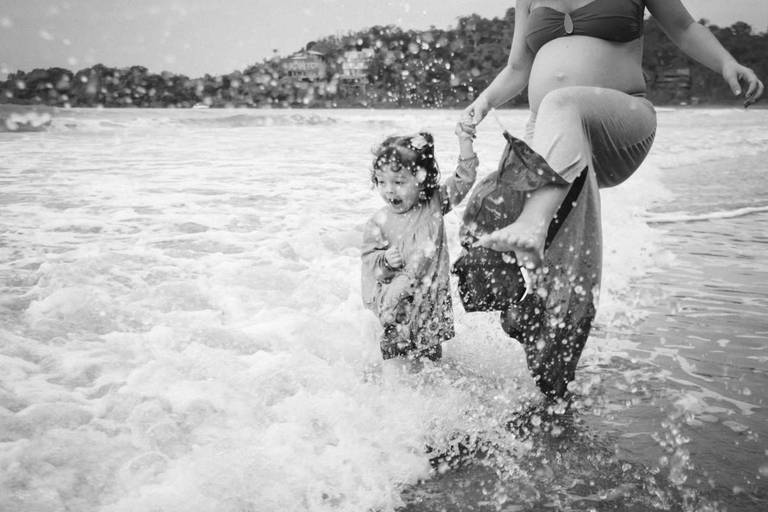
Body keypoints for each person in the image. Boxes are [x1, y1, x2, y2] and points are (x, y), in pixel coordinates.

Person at [459, 0, 764, 398]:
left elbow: (685, 27)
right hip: (551, 133)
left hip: (622, 120)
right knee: (488, 213)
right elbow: (519, 67)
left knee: (560, 102)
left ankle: (534, 223)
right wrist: (482, 102)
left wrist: (726, 63)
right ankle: (536, 333)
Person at [361, 127, 478, 361]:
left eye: (398, 181)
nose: (389, 190)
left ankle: (432, 395)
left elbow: (463, 180)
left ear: (422, 179)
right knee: (396, 355)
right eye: (381, 181)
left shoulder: (434, 204)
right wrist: (385, 260)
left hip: (430, 297)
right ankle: (393, 393)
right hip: (398, 303)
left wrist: (465, 143)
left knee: (431, 357)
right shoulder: (379, 222)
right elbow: (369, 263)